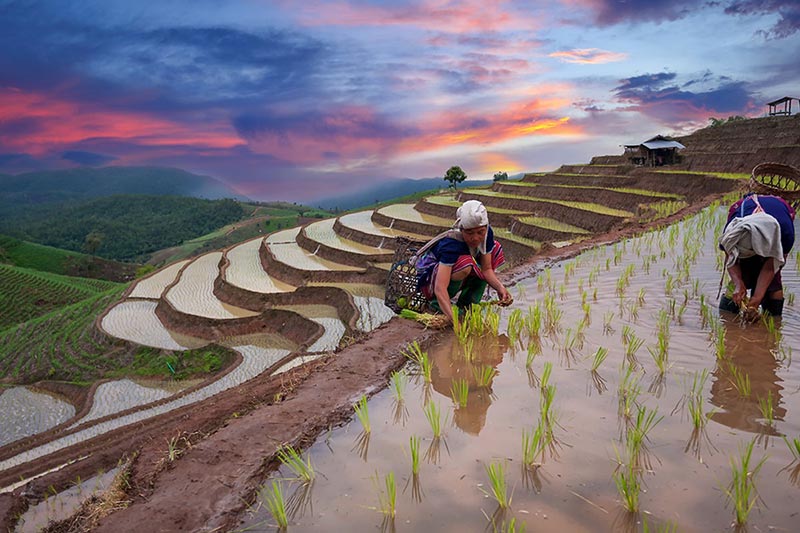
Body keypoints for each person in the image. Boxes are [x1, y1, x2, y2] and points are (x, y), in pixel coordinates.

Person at [414, 200, 512, 324]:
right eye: (470, 233)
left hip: (453, 271)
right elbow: (440, 287)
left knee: (494, 249)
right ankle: (437, 305)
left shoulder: (487, 234)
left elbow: (486, 269)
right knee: (465, 263)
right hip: (430, 278)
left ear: (486, 228)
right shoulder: (452, 244)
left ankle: (467, 305)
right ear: (462, 230)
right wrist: (453, 320)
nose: (475, 238)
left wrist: (500, 288)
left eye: (480, 232)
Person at [718, 192, 795, 317]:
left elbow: (771, 266)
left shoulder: (785, 233)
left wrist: (758, 296)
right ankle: (728, 318)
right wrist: (738, 283)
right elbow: (730, 258)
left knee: (772, 283)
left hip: (779, 214)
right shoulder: (733, 231)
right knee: (740, 280)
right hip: (746, 213)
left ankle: (773, 321)